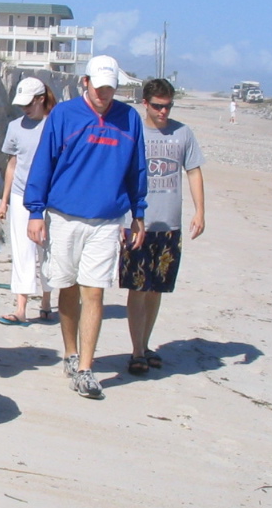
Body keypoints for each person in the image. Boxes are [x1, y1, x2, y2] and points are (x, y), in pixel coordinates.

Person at [24, 54, 147, 399]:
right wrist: (35, 212)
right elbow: (43, 163)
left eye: (110, 89)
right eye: (98, 87)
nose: (104, 95)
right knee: (67, 288)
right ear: (85, 83)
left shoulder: (129, 119)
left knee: (94, 290)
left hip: (107, 220)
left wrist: (138, 213)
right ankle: (70, 351)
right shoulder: (64, 115)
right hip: (64, 216)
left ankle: (86, 369)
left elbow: (137, 169)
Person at [119, 79, 206, 374]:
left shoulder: (183, 133)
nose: (163, 112)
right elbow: (120, 175)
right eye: (158, 106)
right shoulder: (134, 131)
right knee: (137, 286)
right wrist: (122, 219)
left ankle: (145, 344)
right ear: (146, 103)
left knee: (156, 288)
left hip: (169, 224)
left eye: (168, 106)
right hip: (138, 223)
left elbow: (193, 172)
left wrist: (200, 212)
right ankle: (135, 350)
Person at [0, 77, 56, 325]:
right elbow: (13, 164)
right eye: (21, 105)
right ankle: (21, 308)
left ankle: (45, 301)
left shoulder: (55, 125)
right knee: (22, 249)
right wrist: (4, 200)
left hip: (51, 196)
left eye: (28, 104)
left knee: (48, 250)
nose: (24, 110)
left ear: (41, 99)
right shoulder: (15, 127)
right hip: (22, 194)